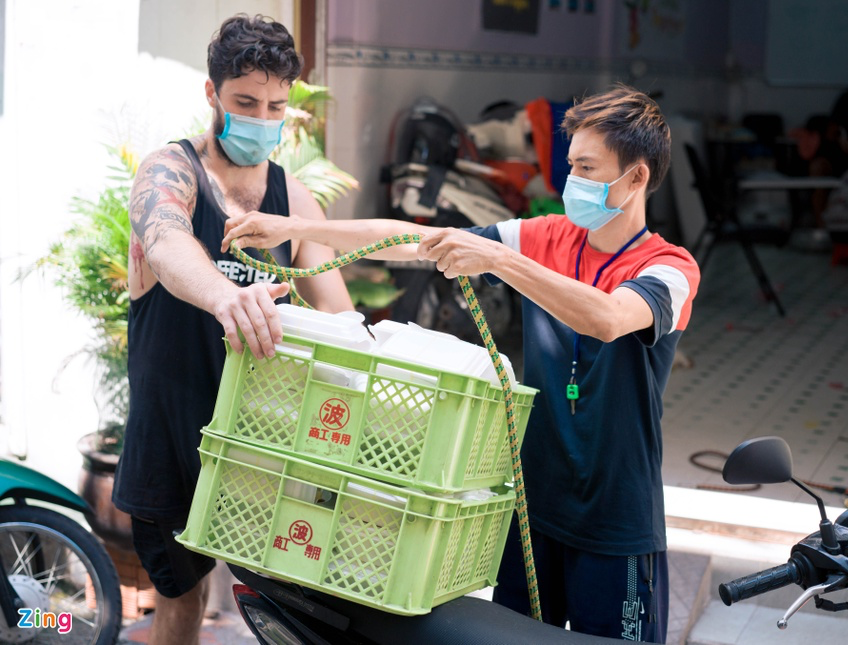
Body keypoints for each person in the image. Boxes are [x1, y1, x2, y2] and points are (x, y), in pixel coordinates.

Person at [222, 84, 699, 642]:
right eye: (570, 165)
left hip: (616, 521)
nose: (572, 181)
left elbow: (609, 317)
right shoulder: (547, 236)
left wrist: (501, 258)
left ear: (636, 177)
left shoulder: (670, 267)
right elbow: (414, 240)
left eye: (588, 168)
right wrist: (298, 229)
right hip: (532, 509)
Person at [112, 14, 353, 644]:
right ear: (213, 94)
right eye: (245, 101)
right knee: (181, 605)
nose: (261, 117)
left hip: (263, 448)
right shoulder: (171, 171)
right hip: (171, 439)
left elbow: (341, 316)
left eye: (275, 105)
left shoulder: (294, 199)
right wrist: (226, 295)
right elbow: (164, 242)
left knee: (288, 615)